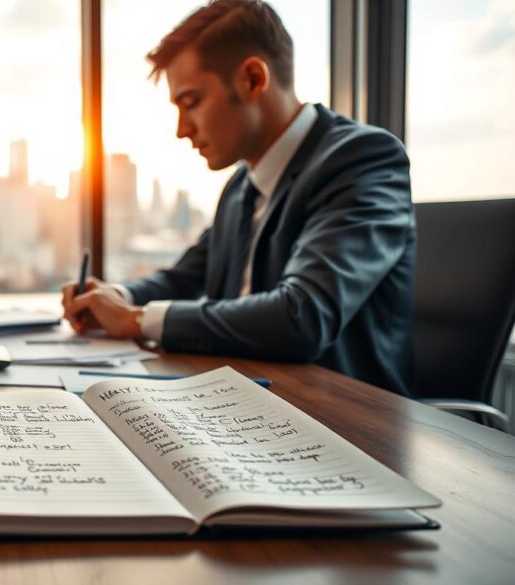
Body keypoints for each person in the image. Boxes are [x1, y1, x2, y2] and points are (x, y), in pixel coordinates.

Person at [61, 0, 415, 396]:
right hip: (241, 403)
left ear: (251, 79)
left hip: (339, 416)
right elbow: (184, 277)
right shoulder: (241, 185)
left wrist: (136, 319)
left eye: (191, 102)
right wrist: (112, 299)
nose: (181, 130)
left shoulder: (362, 160)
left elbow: (302, 316)